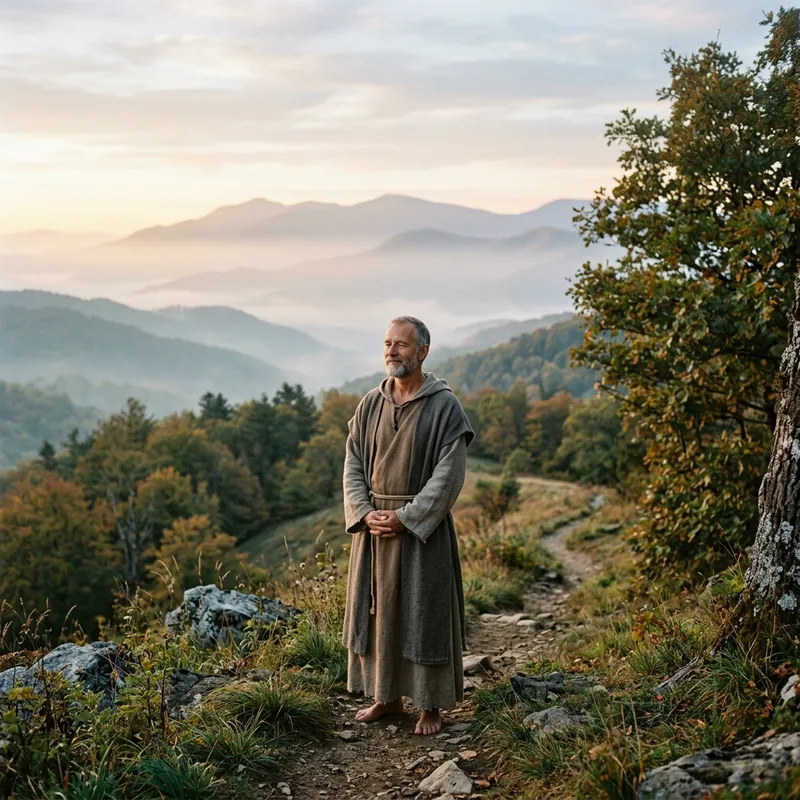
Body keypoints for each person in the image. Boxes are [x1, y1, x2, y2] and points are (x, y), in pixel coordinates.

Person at [342, 315, 473, 735]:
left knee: (424, 615)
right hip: (376, 532)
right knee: (379, 614)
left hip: (421, 532)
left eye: (400, 344)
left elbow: (449, 474)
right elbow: (353, 465)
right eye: (386, 344)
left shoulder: (444, 406)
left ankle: (430, 706)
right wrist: (364, 512)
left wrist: (408, 517)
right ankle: (387, 697)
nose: (391, 351)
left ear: (422, 352)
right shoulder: (370, 404)